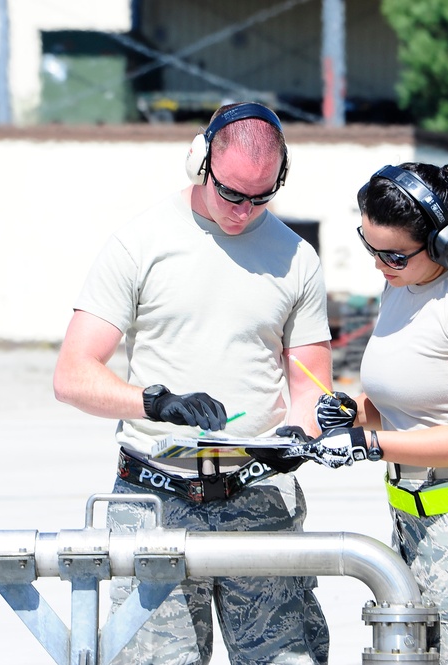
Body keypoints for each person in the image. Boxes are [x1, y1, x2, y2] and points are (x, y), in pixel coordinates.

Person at [53, 102, 336, 665]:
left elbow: (311, 388)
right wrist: (157, 402)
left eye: (261, 196)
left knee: (285, 658)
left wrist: (293, 439)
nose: (242, 211)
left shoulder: (296, 259)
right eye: (231, 193)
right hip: (156, 496)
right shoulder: (139, 243)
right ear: (200, 160)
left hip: (257, 495)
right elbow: (72, 375)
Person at [272, 163, 448, 664]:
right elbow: (412, 407)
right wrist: (356, 415)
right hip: (414, 525)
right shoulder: (401, 283)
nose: (380, 265)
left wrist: (369, 446)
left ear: (447, 244)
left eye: (394, 255)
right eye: (370, 247)